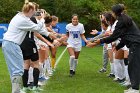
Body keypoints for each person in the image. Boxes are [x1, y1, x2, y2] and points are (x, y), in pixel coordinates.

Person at [2, 2, 55, 93]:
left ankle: (16, 90)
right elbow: (37, 28)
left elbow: (37, 28)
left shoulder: (20, 16)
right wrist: (42, 19)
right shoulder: (23, 20)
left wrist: (48, 34)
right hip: (12, 44)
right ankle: (16, 91)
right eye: (34, 10)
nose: (35, 13)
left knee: (14, 69)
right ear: (30, 10)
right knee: (18, 70)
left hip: (8, 43)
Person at [87, 4, 140, 93]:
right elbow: (124, 35)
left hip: (136, 44)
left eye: (112, 12)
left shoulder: (121, 21)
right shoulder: (124, 18)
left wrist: (98, 42)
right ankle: (133, 87)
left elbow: (114, 36)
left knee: (133, 66)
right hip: (135, 44)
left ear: (115, 12)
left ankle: (135, 89)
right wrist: (119, 46)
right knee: (132, 66)